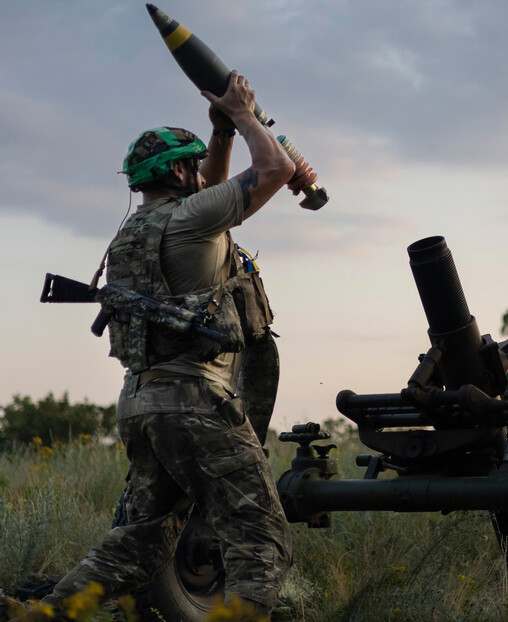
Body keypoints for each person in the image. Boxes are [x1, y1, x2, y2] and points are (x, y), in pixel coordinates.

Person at [32, 71, 316, 619]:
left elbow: (212, 182)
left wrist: (224, 134)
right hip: (197, 404)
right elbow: (277, 168)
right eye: (194, 167)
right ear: (179, 172)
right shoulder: (192, 220)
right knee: (260, 540)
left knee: (139, 542)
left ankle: (45, 615)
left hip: (143, 402)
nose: (202, 176)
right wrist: (243, 114)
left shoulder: (135, 231)